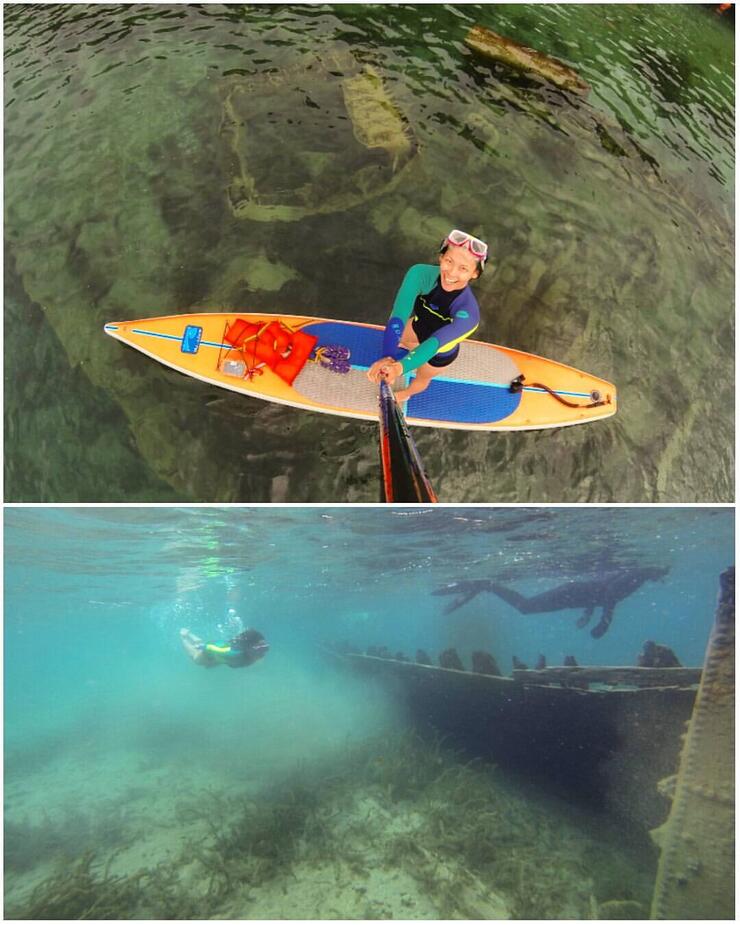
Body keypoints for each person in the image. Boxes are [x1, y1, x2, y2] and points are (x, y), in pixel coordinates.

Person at [366, 229, 486, 402]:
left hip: (439, 352)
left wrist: (399, 368)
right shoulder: (420, 274)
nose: (451, 273)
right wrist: (387, 356)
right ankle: (409, 350)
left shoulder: (469, 314)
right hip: (416, 326)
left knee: (422, 377)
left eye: (463, 268)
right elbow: (399, 314)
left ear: (474, 274)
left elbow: (434, 343)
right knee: (401, 339)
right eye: (448, 261)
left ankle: (406, 394)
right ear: (441, 258)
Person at [180, 627, 269, 668]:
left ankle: (190, 635)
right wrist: (204, 647)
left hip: (220, 656)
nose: (262, 653)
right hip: (213, 651)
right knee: (196, 658)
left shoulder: (251, 654)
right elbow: (212, 648)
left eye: (265, 648)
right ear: (247, 648)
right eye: (259, 649)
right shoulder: (232, 653)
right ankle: (183, 636)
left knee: (209, 666)